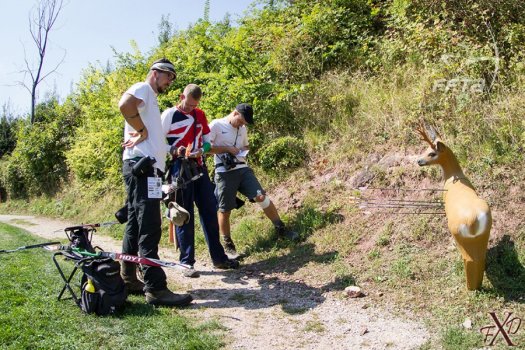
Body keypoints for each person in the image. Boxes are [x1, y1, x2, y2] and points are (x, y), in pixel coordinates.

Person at [118, 58, 192, 307]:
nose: (170, 81)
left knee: (135, 224)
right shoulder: (143, 88)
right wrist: (142, 131)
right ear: (156, 73)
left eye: (172, 78)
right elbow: (125, 105)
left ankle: (128, 277)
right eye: (168, 76)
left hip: (143, 167)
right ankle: (156, 289)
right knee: (149, 225)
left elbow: (151, 137)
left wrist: (169, 149)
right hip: (143, 169)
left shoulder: (150, 98)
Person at [161, 84, 239, 277]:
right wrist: (174, 150)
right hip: (179, 168)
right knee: (184, 214)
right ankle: (186, 263)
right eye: (187, 105)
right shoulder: (169, 115)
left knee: (209, 210)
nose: (189, 109)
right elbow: (158, 141)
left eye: (193, 105)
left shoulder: (199, 114)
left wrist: (201, 150)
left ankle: (219, 258)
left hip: (198, 166)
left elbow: (206, 141)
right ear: (181, 97)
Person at [209, 103, 299, 258]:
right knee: (225, 209)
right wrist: (227, 149)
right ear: (235, 113)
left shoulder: (242, 129)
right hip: (224, 172)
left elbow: (245, 145)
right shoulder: (216, 125)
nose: (243, 124)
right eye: (242, 120)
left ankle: (281, 228)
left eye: (245, 123)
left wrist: (242, 151)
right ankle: (228, 245)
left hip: (243, 169)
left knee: (261, 196)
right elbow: (206, 148)